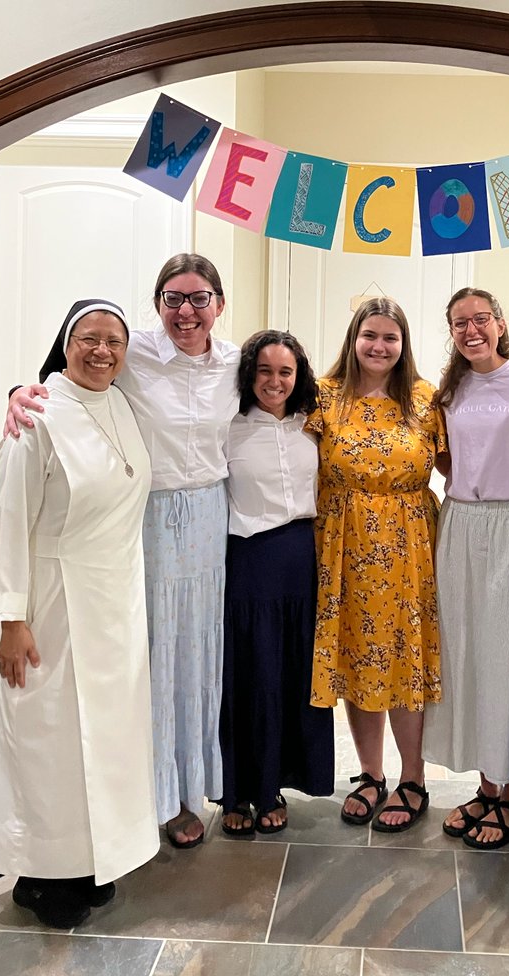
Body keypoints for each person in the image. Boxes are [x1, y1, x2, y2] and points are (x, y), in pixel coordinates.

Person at [5, 254, 239, 849]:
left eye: (199, 298)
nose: (186, 311)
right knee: (152, 654)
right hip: (149, 517)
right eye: (173, 298)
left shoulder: (235, 363)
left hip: (211, 515)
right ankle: (152, 799)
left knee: (197, 654)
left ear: (218, 303)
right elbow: (64, 377)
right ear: (158, 303)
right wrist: (18, 393)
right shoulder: (134, 356)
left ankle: (191, 787)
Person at [0, 300, 158, 930]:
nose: (103, 351)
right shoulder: (37, 416)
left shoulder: (122, 402)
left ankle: (90, 862)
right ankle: (43, 874)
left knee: (105, 741)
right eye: (89, 339)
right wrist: (10, 617)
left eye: (114, 340)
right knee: (51, 742)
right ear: (65, 343)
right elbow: (6, 519)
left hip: (113, 600)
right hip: (49, 602)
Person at [422, 288, 509, 849]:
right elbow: (446, 456)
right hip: (459, 523)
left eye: (481, 320)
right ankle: (485, 783)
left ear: (500, 323)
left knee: (505, 657)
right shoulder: (448, 390)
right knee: (467, 654)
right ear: (451, 331)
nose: (471, 330)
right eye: (460, 323)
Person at [307, 296, 446, 833]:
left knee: (403, 657)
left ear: (403, 344)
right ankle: (370, 774)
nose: (379, 346)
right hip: (342, 542)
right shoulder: (323, 396)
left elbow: (462, 463)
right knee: (359, 657)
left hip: (409, 545)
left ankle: (413, 778)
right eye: (370, 336)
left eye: (390, 337)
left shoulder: (424, 399)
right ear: (353, 338)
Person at [219, 330, 334, 837]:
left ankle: (277, 785)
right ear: (249, 374)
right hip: (249, 560)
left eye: (284, 372)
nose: (274, 381)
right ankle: (237, 791)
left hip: (301, 560)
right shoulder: (228, 426)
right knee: (250, 677)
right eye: (264, 371)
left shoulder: (312, 424)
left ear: (298, 375)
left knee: (291, 676)